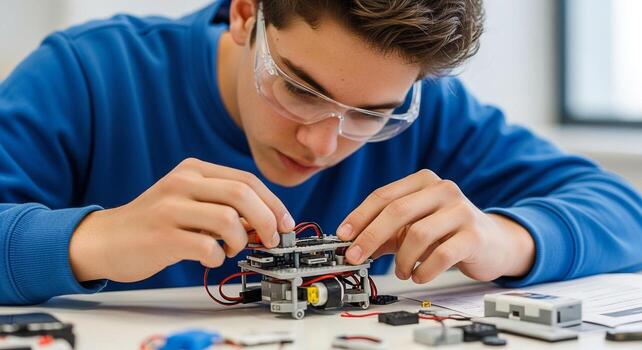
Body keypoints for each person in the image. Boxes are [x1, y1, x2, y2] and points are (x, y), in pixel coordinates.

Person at [1, 0, 641, 306]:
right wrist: (92, 240)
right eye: (300, 90)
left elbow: (622, 210)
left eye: (371, 114)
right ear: (246, 15)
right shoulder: (89, 73)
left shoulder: (428, 111)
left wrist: (503, 239)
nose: (322, 142)